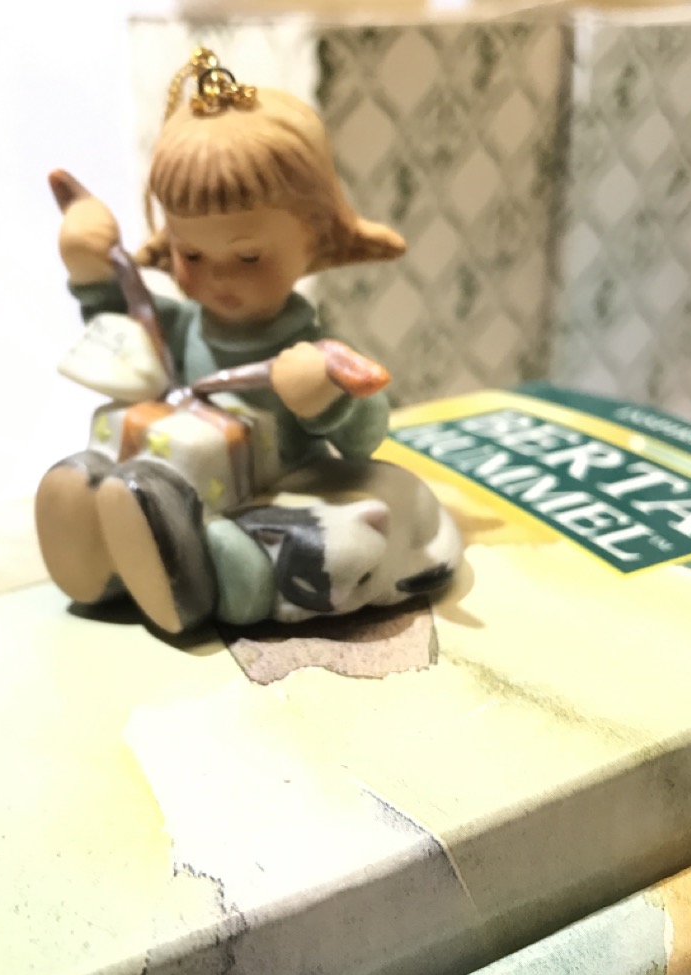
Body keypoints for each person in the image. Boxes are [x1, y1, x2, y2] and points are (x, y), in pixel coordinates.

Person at [35, 51, 453, 634]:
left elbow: (366, 436)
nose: (220, 278)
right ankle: (100, 546)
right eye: (192, 254)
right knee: (125, 477)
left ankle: (179, 569)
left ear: (314, 238)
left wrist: (325, 398)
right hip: (170, 472)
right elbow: (119, 330)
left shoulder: (311, 352)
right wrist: (92, 270)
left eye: (249, 256)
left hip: (277, 496)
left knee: (280, 555)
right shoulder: (178, 328)